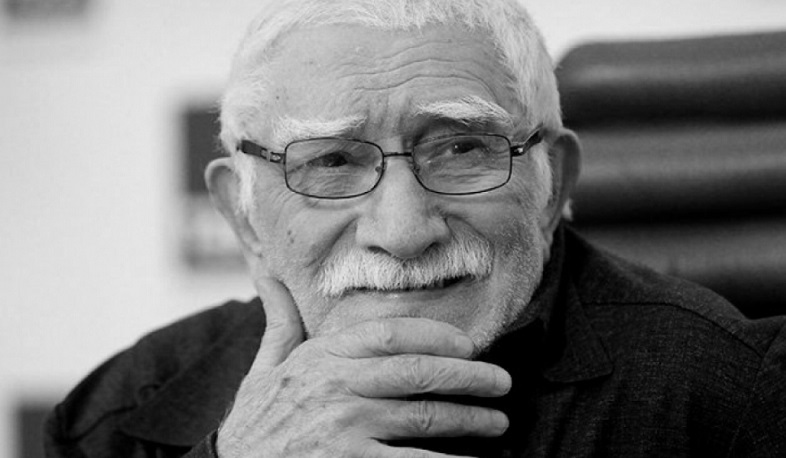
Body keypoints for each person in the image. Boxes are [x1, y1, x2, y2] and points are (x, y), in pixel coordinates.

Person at [45, 0, 786, 456]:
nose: (403, 232)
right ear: (243, 211)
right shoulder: (120, 411)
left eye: (461, 149)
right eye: (331, 161)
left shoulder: (738, 396)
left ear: (553, 182)